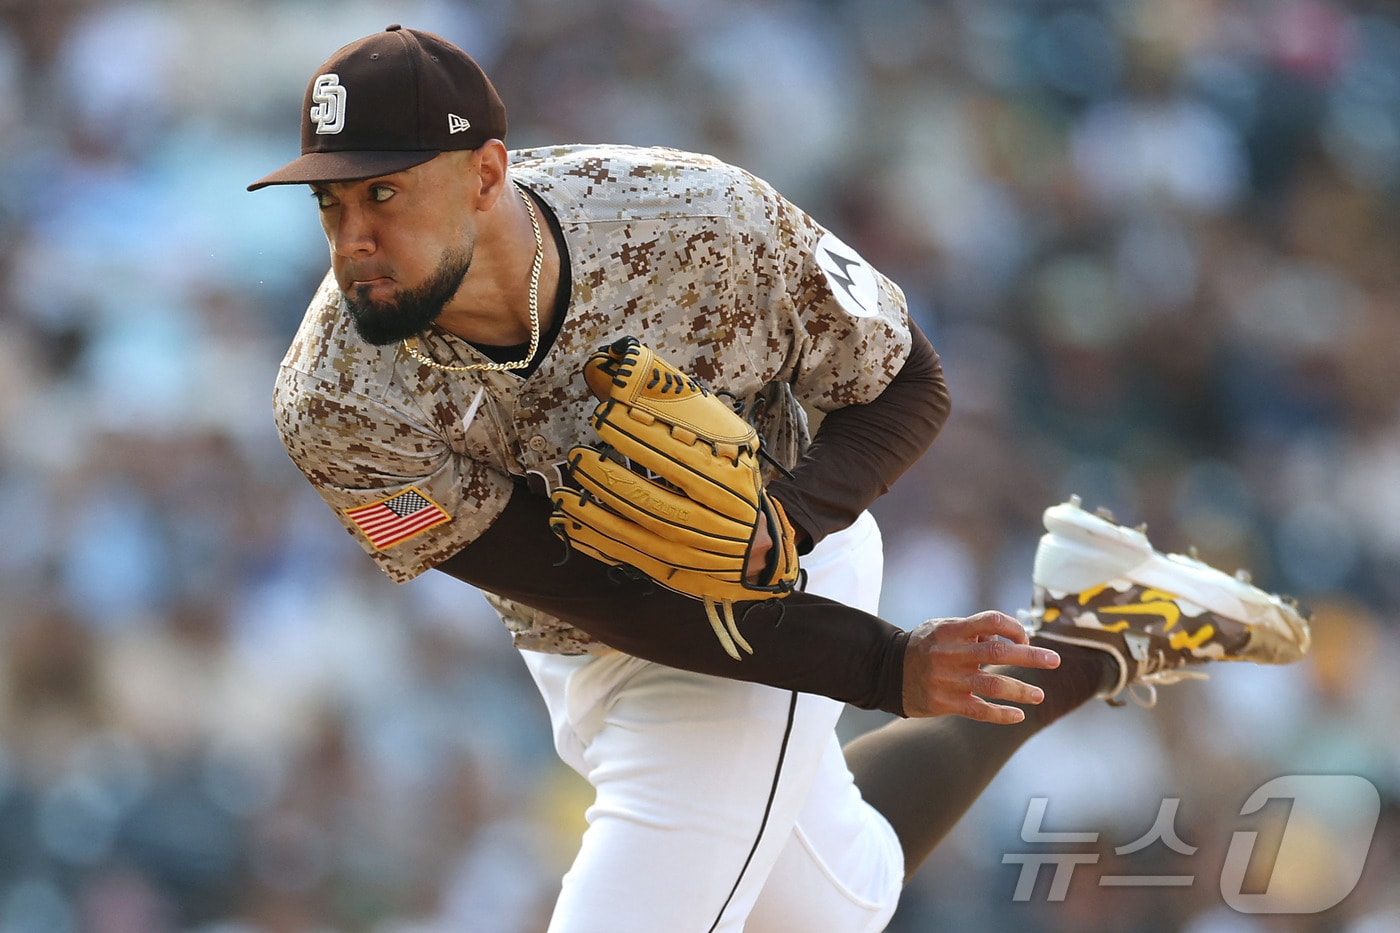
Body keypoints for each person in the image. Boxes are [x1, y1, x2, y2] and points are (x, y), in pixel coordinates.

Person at [248, 26, 1310, 932]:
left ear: (485, 172)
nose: (354, 240)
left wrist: (784, 525)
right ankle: (1097, 629)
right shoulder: (335, 398)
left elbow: (910, 384)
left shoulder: (684, 220)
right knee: (843, 899)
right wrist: (886, 669)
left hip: (796, 550)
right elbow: (597, 595)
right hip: (595, 634)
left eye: (381, 194)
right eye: (330, 206)